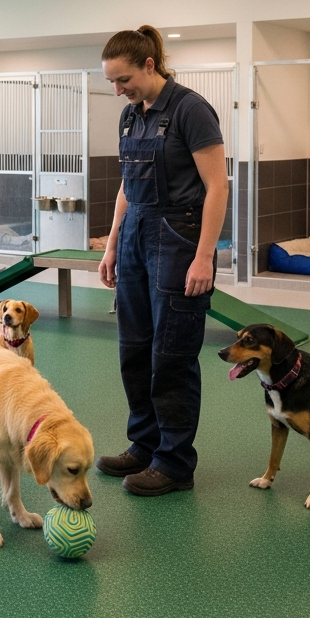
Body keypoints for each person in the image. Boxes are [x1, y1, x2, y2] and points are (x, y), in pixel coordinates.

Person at [95, 26, 228, 496]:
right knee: (134, 349)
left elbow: (218, 187)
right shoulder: (131, 117)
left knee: (170, 356)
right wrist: (112, 245)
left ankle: (174, 463)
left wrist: (204, 257)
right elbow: (127, 188)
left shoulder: (191, 110)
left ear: (150, 65)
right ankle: (143, 445)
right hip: (134, 238)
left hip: (178, 239)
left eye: (124, 79)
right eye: (112, 82)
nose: (118, 90)